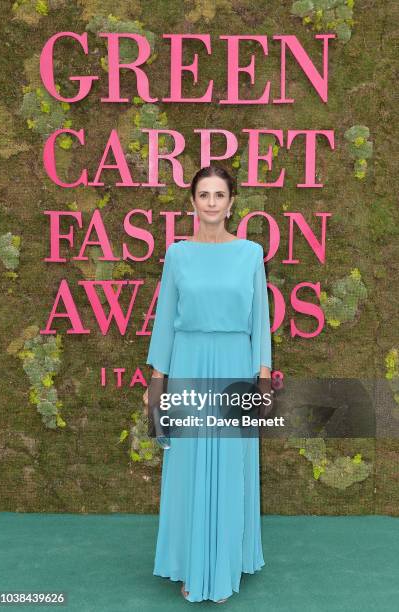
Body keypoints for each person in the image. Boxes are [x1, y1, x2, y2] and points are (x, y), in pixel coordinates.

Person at [143, 165, 272, 603]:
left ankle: (224, 566)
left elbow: (260, 321)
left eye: (220, 195)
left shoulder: (252, 254)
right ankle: (191, 566)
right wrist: (157, 378)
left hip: (236, 361)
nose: (212, 203)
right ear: (192, 202)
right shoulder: (177, 256)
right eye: (204, 195)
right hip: (188, 362)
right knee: (189, 467)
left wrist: (264, 375)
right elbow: (165, 320)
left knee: (232, 464)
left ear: (232, 203)